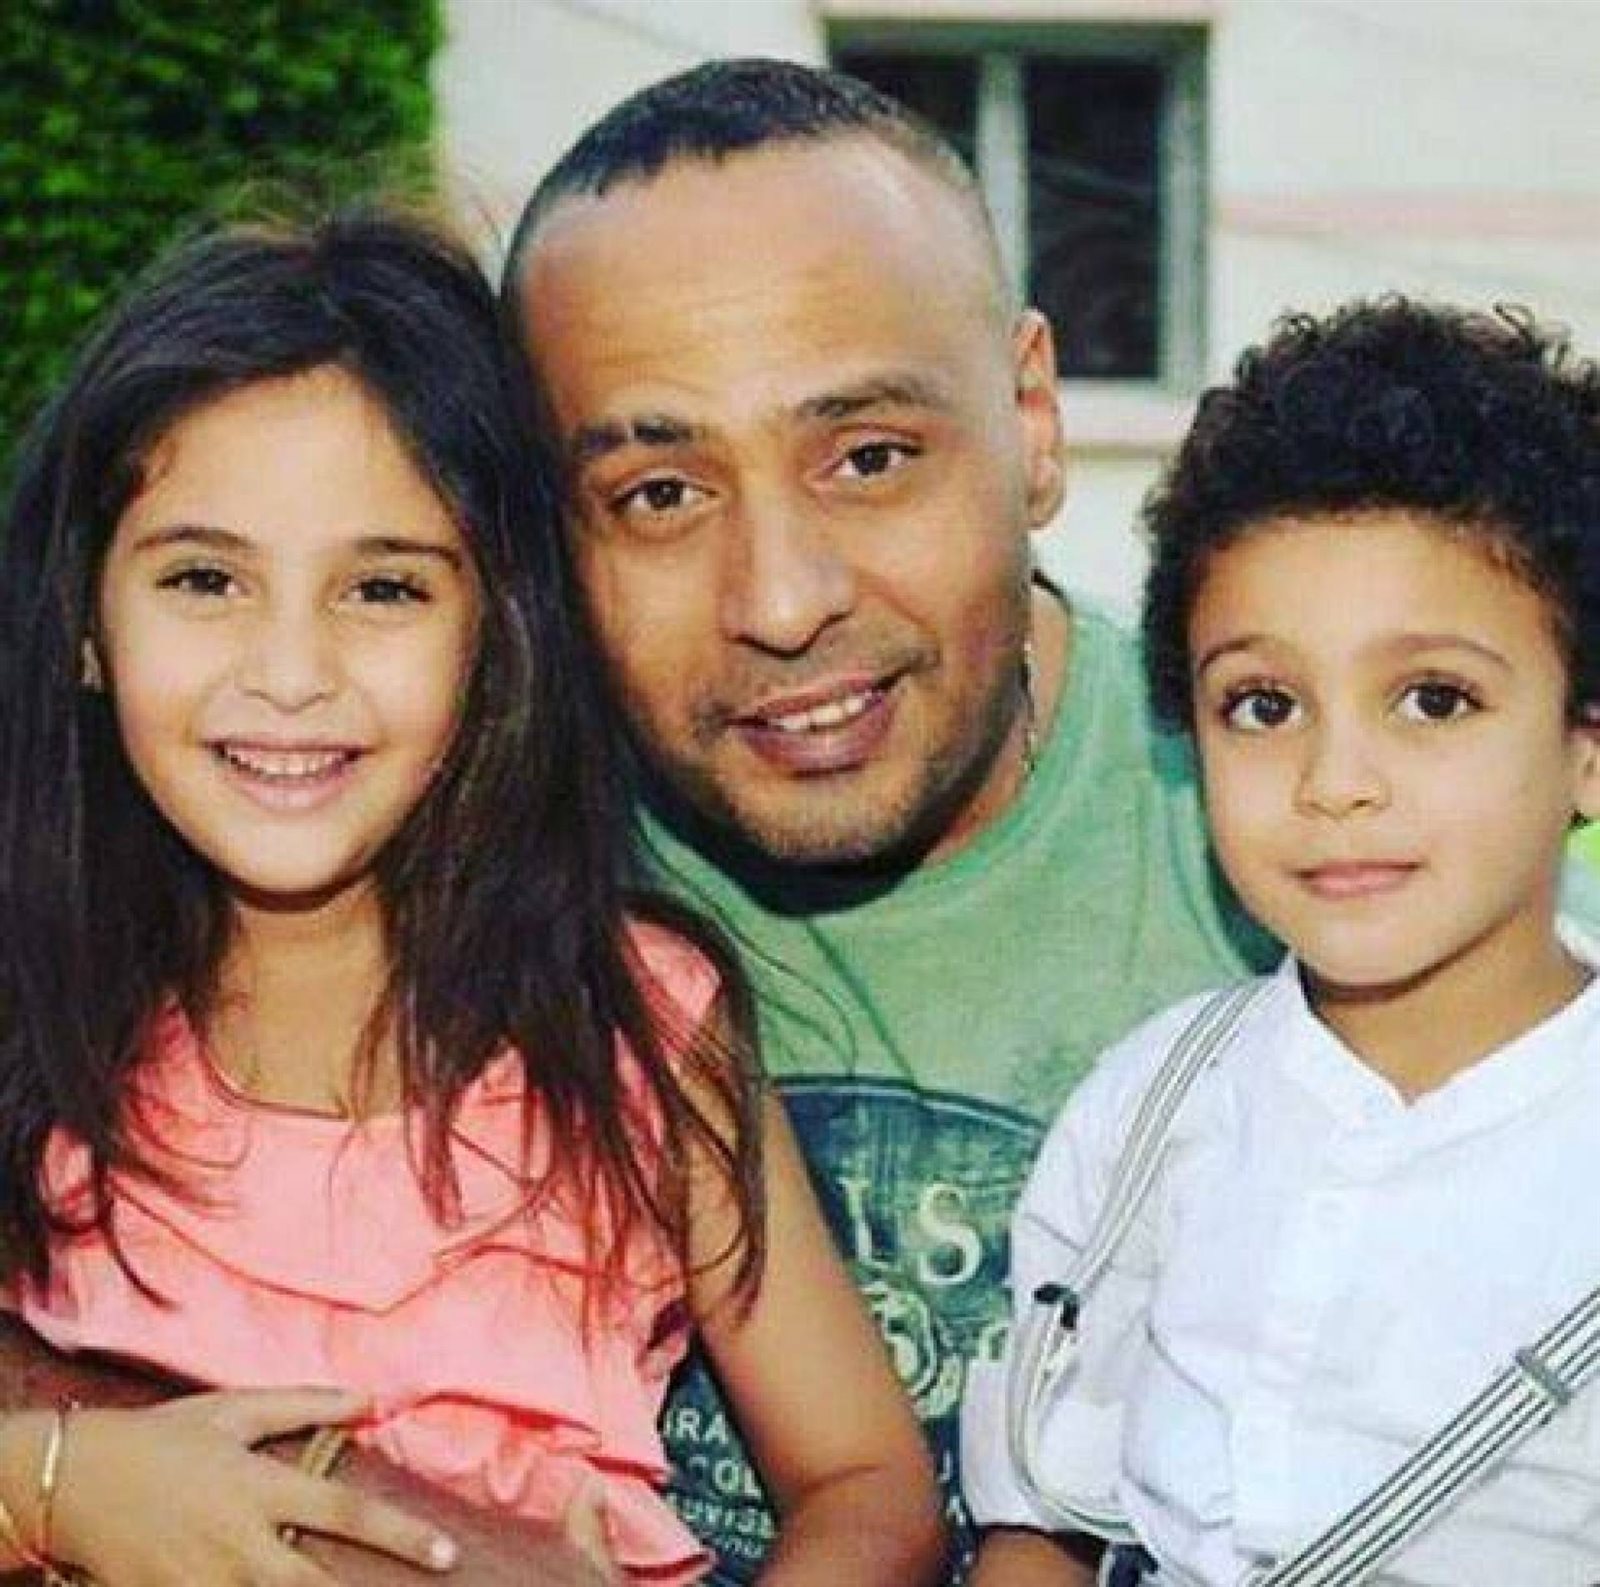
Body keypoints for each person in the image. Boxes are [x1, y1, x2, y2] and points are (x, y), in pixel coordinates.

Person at [0, 201, 945, 1586]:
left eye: (382, 590)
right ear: (86, 620)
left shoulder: (635, 1028)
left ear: (496, 635)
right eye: (205, 579)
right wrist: (56, 1487)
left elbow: (868, 1486)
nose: (290, 673)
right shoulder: (34, 1011)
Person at [499, 58, 1276, 1582]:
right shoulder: (456, 871)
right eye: (660, 495)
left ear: (1031, 421)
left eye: (867, 459)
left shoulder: (1311, 851)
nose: (782, 601)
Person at [962, 297, 1600, 1586]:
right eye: (1263, 706)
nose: (1334, 781)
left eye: (1433, 700)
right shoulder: (1152, 1110)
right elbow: (1043, 1526)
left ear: (1585, 752)